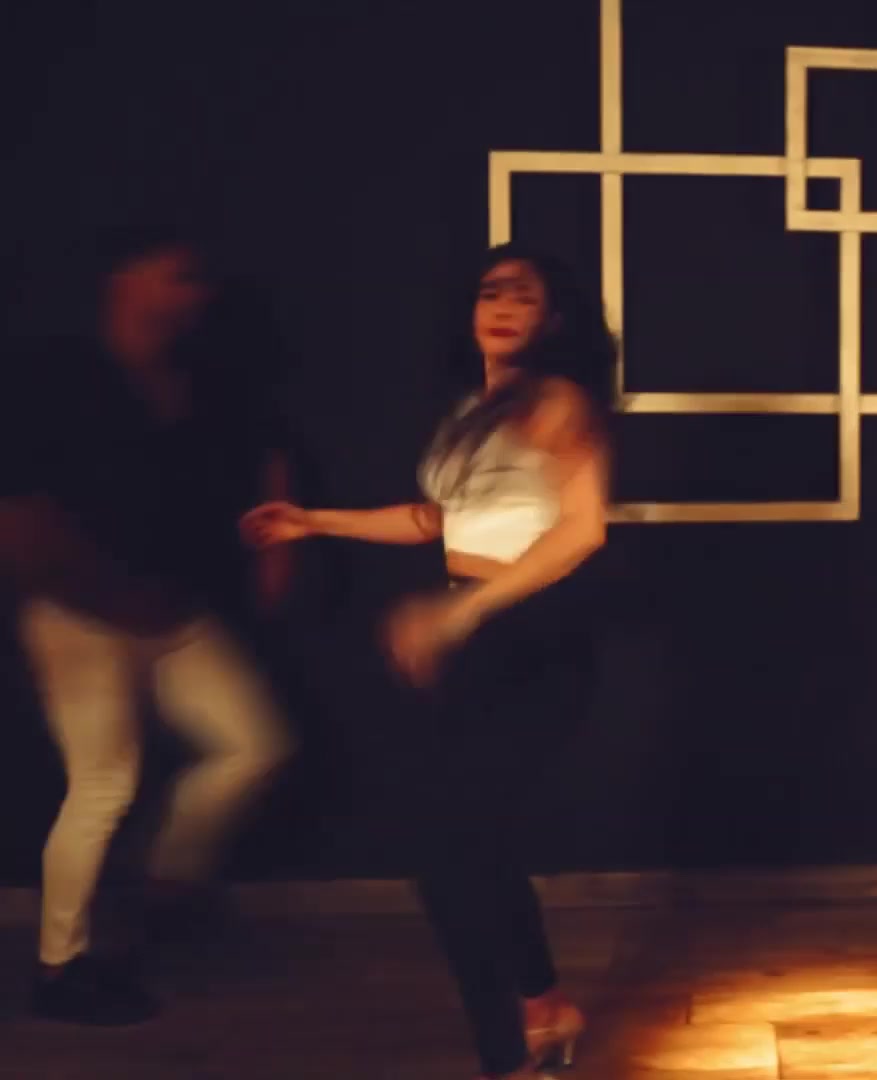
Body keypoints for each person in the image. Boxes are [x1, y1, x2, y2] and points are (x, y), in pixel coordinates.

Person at [242, 244, 613, 1078]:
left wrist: (462, 613)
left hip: (532, 636)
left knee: (453, 856)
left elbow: (582, 528)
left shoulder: (555, 400)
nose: (503, 306)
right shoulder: (470, 412)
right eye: (491, 292)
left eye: (524, 295)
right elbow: (435, 519)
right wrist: (314, 521)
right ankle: (545, 1006)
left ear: (552, 318)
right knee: (470, 845)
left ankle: (507, 1055)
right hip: (475, 636)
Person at [1, 228, 293, 1026]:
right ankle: (61, 970)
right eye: (179, 276)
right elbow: (19, 519)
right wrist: (90, 594)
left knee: (254, 745)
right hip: (78, 615)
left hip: (175, 613)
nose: (196, 294)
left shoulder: (196, 378)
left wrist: (280, 537)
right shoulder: (57, 377)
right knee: (103, 784)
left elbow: (263, 445)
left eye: (199, 281)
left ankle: (165, 879)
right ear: (126, 281)